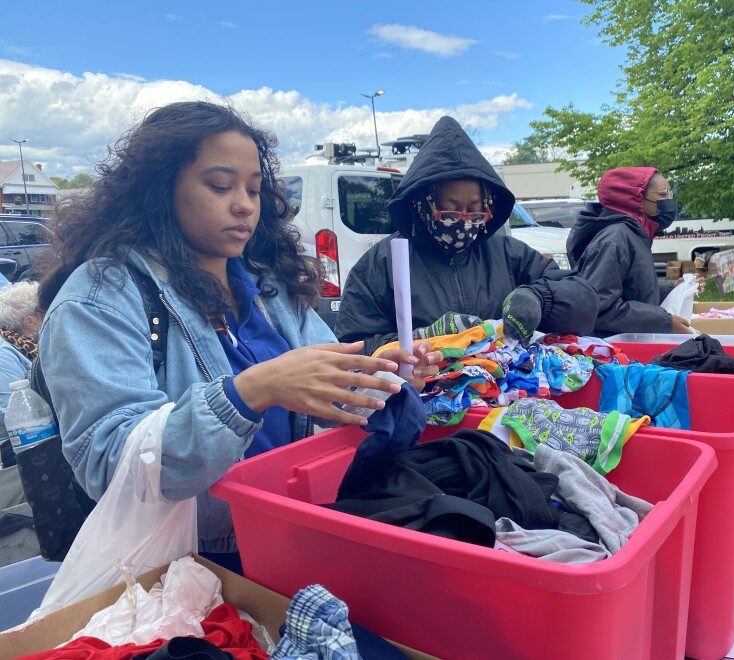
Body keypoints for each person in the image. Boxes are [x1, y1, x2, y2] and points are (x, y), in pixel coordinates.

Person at [36, 101, 439, 571]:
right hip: (194, 563)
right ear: (159, 191)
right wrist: (250, 392)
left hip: (293, 529)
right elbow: (110, 463)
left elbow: (324, 396)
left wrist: (380, 376)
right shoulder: (100, 299)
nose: (244, 204)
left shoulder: (269, 284)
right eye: (220, 185)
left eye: (253, 189)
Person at [334, 116, 598, 354]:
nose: (463, 224)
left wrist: (539, 298)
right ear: (424, 205)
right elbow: (352, 348)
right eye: (449, 213)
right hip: (421, 401)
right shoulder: (380, 265)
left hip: (504, 396)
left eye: (474, 214)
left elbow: (583, 302)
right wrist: (424, 339)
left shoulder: (508, 254)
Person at [566, 167, 704, 337]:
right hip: (612, 351)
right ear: (635, 198)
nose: (670, 201)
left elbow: (631, 289)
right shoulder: (614, 240)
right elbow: (599, 308)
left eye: (670, 194)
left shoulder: (634, 235)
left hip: (630, 344)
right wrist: (664, 321)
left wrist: (671, 288)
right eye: (663, 194)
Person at [0, 280, 42, 468]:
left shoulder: (30, 345)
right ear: (29, 322)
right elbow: (6, 411)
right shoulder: (5, 355)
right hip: (19, 440)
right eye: (42, 313)